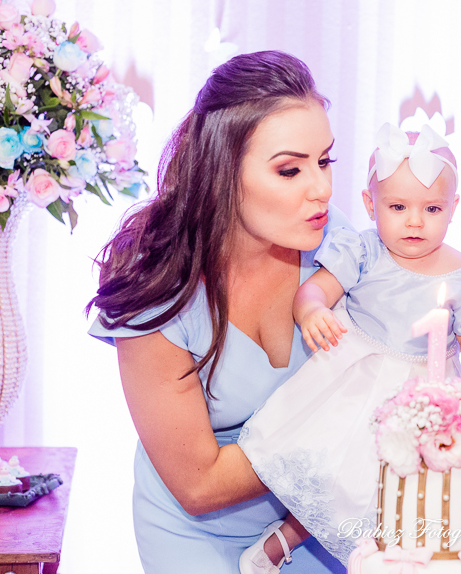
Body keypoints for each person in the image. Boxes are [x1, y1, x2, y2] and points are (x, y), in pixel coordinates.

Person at [88, 51, 347, 573]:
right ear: (223, 169)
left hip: (319, 522)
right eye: (290, 169)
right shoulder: (156, 280)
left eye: (324, 161)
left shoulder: (333, 242)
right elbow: (200, 485)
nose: (320, 188)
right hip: (196, 535)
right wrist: (352, 428)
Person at [236, 122, 461, 573]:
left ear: (455, 208)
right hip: (354, 382)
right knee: (331, 476)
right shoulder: (364, 252)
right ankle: (283, 539)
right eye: (398, 206)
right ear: (370, 204)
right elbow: (314, 291)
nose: (415, 221)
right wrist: (313, 311)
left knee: (413, 503)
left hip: (423, 401)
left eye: (432, 207)